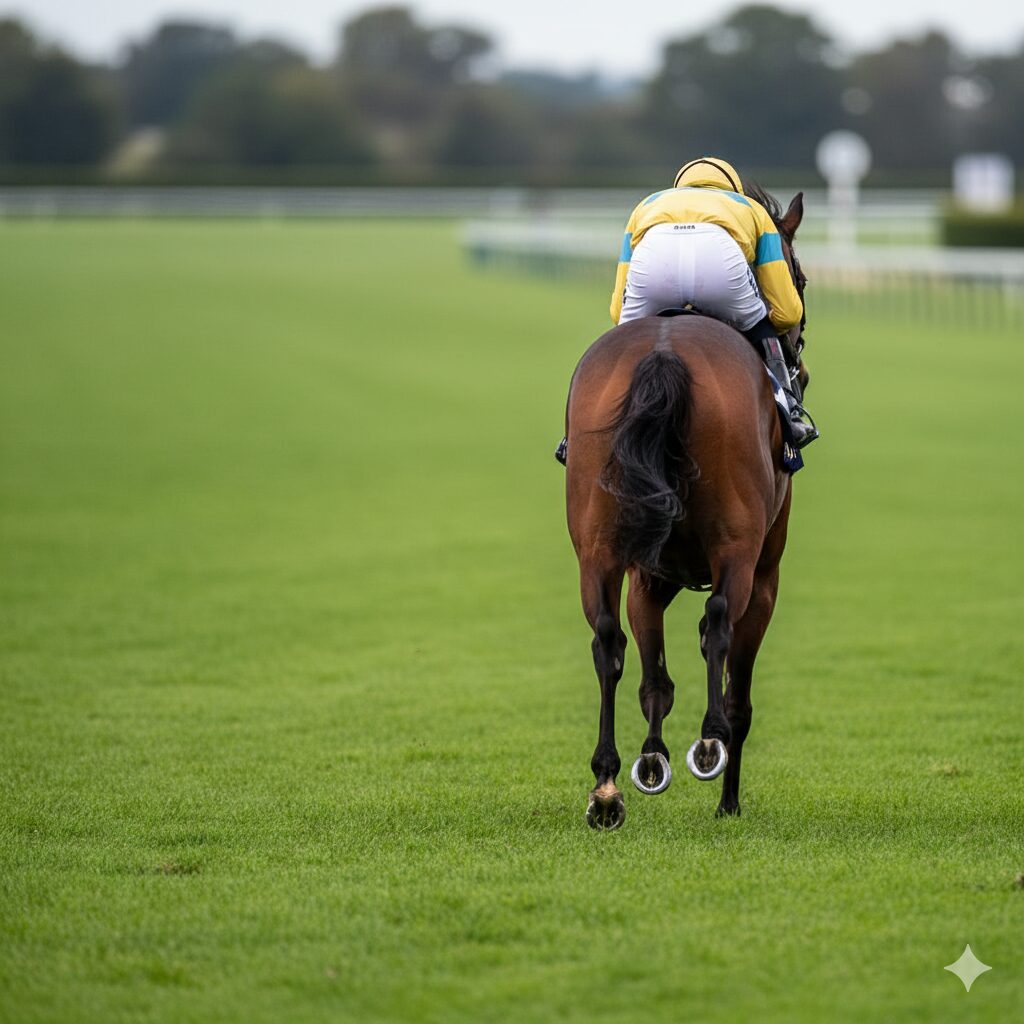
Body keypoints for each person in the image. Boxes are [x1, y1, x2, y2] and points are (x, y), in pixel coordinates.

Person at [555, 156, 817, 465]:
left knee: (623, 341)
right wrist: (764, 323)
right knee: (762, 328)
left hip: (654, 262)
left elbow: (617, 309)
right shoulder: (750, 209)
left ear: (679, 186)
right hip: (719, 264)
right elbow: (786, 313)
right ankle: (791, 413)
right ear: (732, 188)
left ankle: (575, 435)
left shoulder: (648, 205)